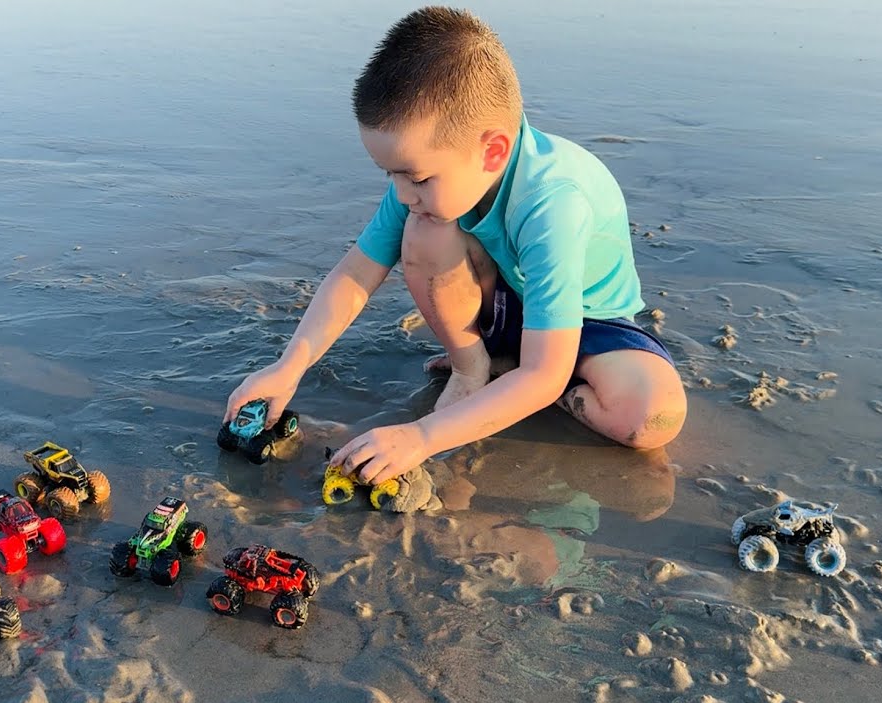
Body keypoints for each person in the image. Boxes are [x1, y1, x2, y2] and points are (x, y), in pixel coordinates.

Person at [222, 6, 687, 485]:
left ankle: (515, 374)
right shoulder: (430, 178)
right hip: (505, 306)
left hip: (590, 320)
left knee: (651, 417)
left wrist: (422, 436)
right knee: (427, 228)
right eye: (392, 175)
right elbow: (357, 272)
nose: (402, 193)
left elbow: (548, 372)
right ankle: (473, 369)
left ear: (493, 151)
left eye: (416, 177)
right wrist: (289, 364)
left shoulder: (554, 204)